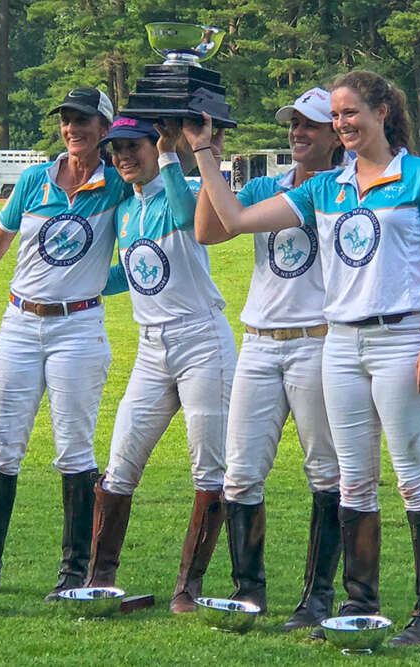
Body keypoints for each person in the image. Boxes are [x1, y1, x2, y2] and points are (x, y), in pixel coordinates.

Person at [183, 70, 420, 646]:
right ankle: (360, 608)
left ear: (383, 111)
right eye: (337, 116)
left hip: (402, 339)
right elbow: (231, 221)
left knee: (413, 477)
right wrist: (206, 151)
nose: (342, 124)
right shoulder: (325, 189)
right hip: (340, 344)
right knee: (355, 482)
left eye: (350, 113)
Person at [0, 88, 127, 602]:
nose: (72, 128)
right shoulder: (36, 179)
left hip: (78, 328)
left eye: (82, 120)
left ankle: (74, 574)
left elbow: (145, 243)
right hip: (19, 322)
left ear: (104, 127)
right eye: (66, 120)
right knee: (0, 446)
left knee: (74, 449)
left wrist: (101, 283)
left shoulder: (118, 185)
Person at [193, 88, 345, 631]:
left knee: (325, 473)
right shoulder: (265, 186)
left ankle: (318, 598)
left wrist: (206, 156)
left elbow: (231, 222)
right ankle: (248, 592)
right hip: (258, 341)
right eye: (292, 126)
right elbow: (209, 230)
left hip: (317, 341)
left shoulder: (337, 188)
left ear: (335, 134)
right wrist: (205, 155)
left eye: (309, 126)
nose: (298, 135)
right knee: (241, 473)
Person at [83, 116, 237, 614]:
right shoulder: (127, 210)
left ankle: (187, 589)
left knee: (208, 469)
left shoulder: (184, 187)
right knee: (120, 463)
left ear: (155, 146)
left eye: (133, 147)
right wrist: (71, 273)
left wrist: (173, 153)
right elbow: (129, 275)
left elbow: (189, 218)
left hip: (202, 342)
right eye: (116, 150)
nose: (123, 157)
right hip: (151, 349)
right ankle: (99, 579)